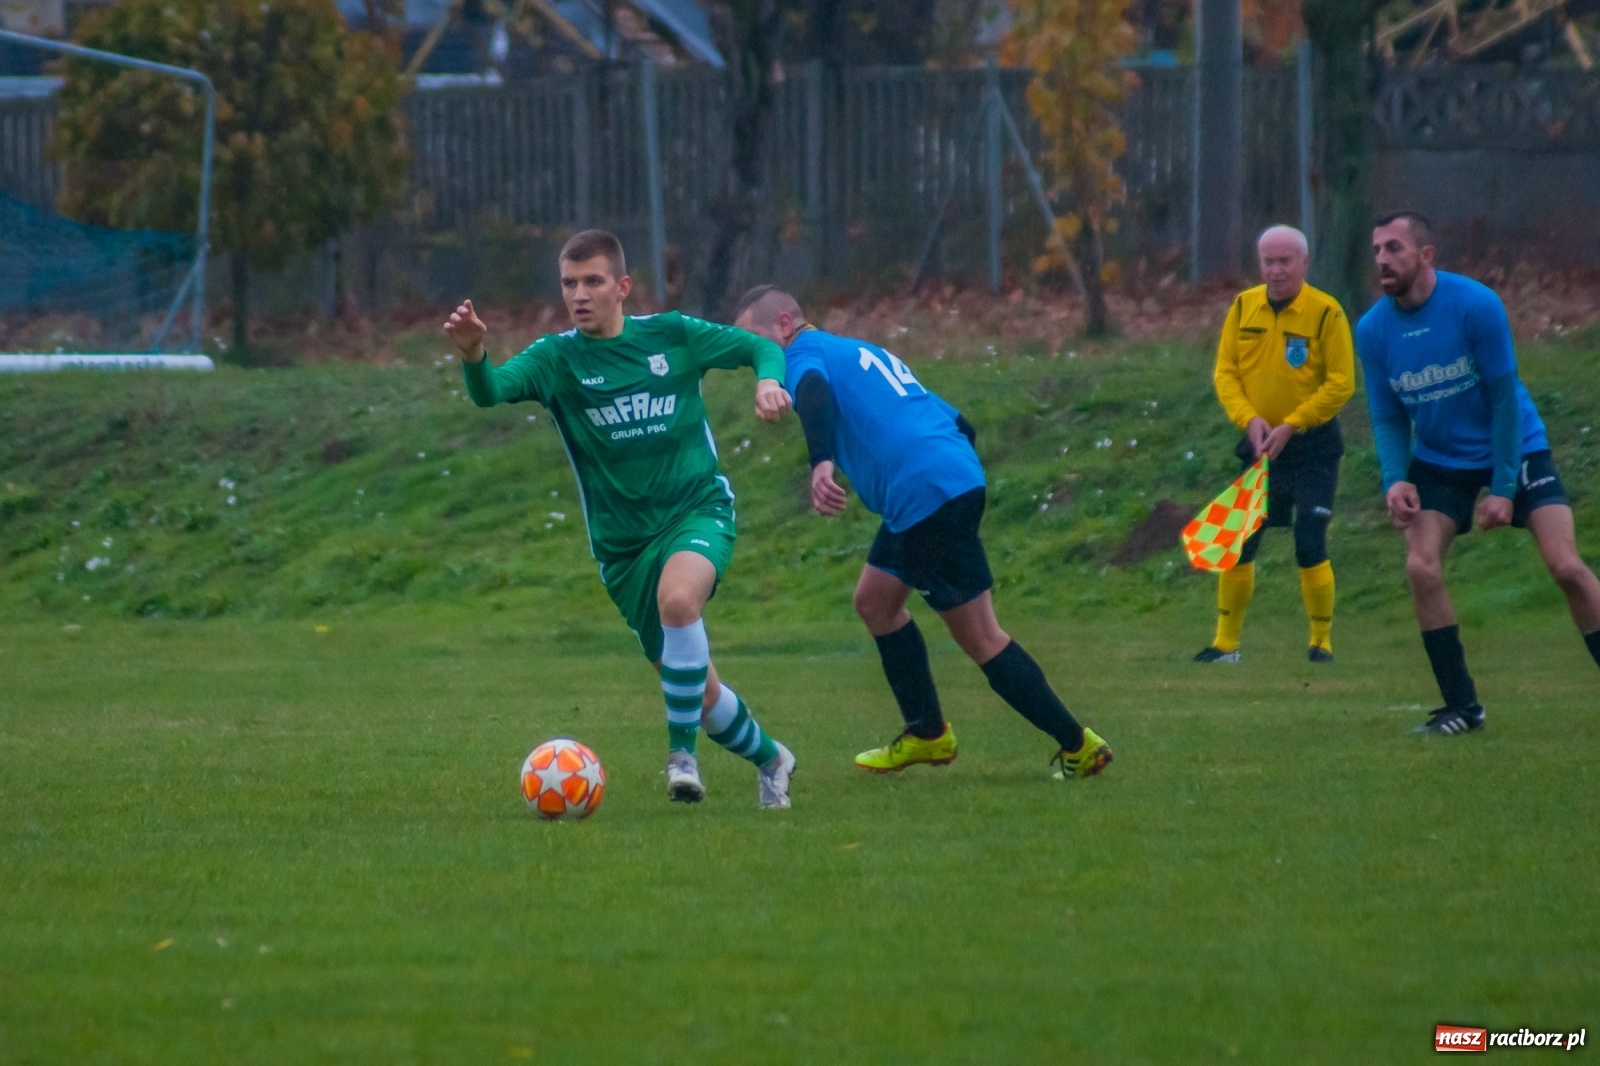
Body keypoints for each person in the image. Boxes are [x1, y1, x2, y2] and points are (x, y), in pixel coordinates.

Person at [444, 230, 799, 805]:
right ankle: (773, 759)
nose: (579, 294)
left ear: (622, 287)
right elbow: (492, 392)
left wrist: (768, 383)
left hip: (696, 511)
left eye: (593, 281)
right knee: (701, 692)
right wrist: (472, 354)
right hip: (623, 551)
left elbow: (762, 348)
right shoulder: (556, 359)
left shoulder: (672, 336)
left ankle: (681, 758)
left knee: (680, 602)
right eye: (569, 283)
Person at [732, 286, 1112, 779]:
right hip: (943, 480)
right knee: (875, 601)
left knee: (981, 637)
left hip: (924, 493)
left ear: (784, 324)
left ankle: (1078, 744)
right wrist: (947, 473)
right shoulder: (860, 351)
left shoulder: (803, 355)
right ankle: (927, 734)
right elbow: (960, 421)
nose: (755, 357)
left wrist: (822, 462)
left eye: (756, 341)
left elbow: (814, 394)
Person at [1357, 210, 1600, 735]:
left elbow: (1504, 401)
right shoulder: (1373, 329)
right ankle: (1463, 709)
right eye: (1376, 250)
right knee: (1421, 567)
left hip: (1516, 448)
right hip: (1441, 460)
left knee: (1567, 569)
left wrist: (1505, 487)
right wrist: (1395, 478)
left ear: (1426, 256)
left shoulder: (1476, 305)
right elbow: (1386, 415)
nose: (1381, 259)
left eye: (1393, 248)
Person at [1194, 225, 1355, 665]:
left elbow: (1343, 383)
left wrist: (1295, 423)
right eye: (1269, 261)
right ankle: (1226, 645)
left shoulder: (1327, 313)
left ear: (1304, 263)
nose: (1277, 270)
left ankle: (1321, 643)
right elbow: (1225, 372)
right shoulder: (1243, 306)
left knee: (1308, 541)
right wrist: (1250, 420)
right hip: (1261, 445)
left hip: (1313, 446)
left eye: (1286, 261)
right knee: (1238, 540)